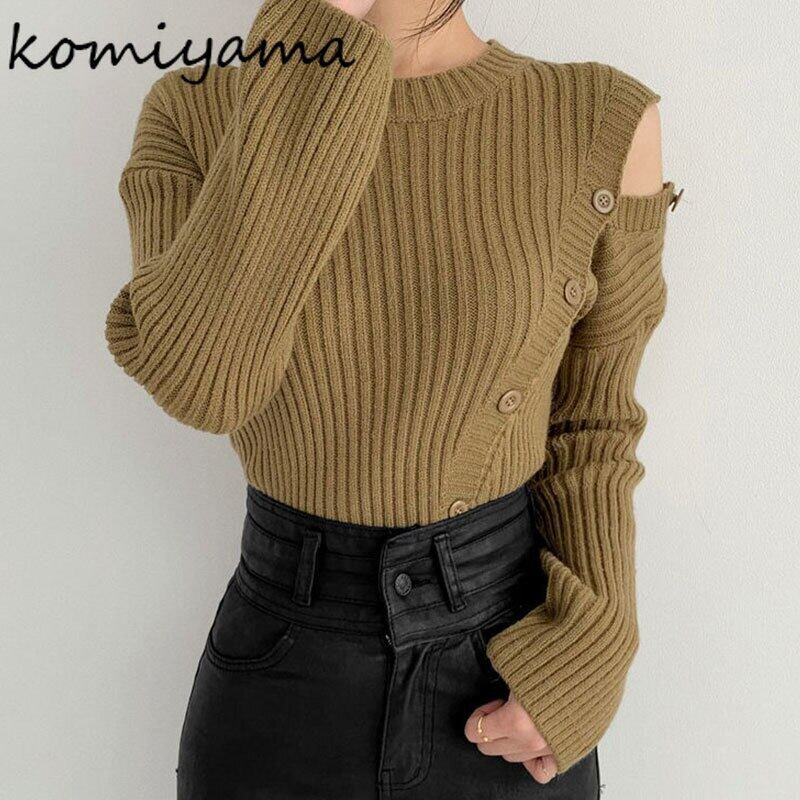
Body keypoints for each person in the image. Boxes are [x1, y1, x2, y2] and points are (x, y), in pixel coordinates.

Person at [104, 0, 680, 797]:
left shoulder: (596, 119)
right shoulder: (197, 111)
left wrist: (593, 649)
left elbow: (594, 422)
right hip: (280, 678)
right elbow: (204, 383)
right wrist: (317, 45)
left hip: (509, 672)